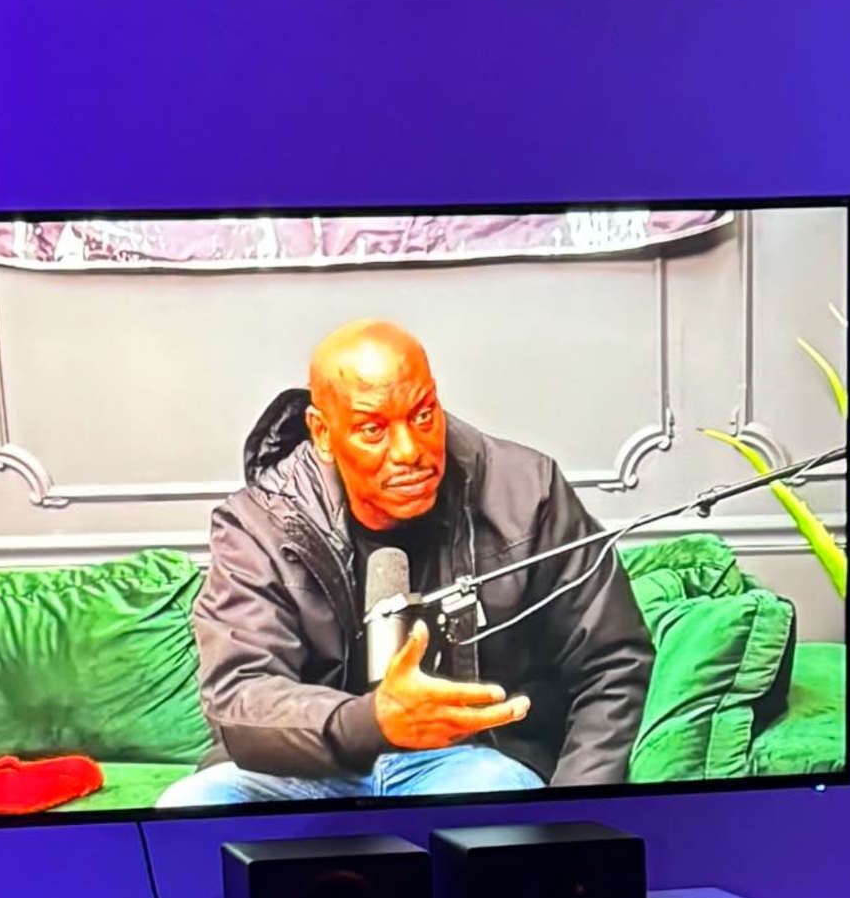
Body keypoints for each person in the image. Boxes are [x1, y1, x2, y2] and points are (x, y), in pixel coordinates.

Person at [159, 319, 654, 806]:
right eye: (372, 429)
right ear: (323, 433)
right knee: (189, 812)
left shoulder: (527, 491)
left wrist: (575, 817)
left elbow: (612, 663)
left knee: (488, 801)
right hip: (304, 771)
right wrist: (372, 721)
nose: (409, 451)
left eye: (422, 415)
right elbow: (241, 694)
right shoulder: (259, 523)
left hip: (469, 761)